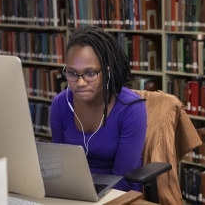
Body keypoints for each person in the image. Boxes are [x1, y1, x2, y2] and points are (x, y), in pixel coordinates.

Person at [50, 26, 148, 192]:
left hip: (118, 192)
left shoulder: (131, 108)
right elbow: (60, 168)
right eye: (72, 73)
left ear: (107, 72)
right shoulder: (60, 104)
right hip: (74, 191)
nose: (80, 83)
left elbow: (123, 180)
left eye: (90, 73)